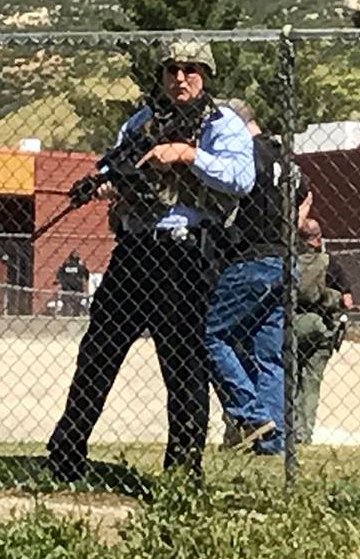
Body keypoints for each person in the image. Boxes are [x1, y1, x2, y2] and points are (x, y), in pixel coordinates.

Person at [46, 39, 256, 481]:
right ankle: (66, 455)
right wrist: (105, 186)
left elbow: (241, 178)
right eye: (171, 70)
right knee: (98, 353)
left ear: (206, 74)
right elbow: (119, 173)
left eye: (190, 69)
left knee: (182, 364)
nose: (180, 78)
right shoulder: (140, 123)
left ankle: (182, 472)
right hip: (135, 251)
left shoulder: (223, 124)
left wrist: (186, 154)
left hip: (184, 254)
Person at [205, 97, 311, 454]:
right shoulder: (284, 158)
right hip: (286, 261)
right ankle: (274, 441)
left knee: (209, 335)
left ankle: (249, 415)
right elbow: (306, 195)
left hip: (251, 259)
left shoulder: (245, 155)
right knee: (270, 356)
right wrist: (290, 228)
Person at [293, 218, 354, 446]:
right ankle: (305, 433)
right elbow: (347, 301)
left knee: (290, 379)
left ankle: (288, 431)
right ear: (318, 239)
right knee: (311, 381)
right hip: (322, 326)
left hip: (292, 325)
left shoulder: (289, 262)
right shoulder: (330, 263)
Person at [55, 250, 90, 316]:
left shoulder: (65, 266)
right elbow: (86, 276)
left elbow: (59, 275)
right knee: (76, 304)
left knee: (67, 303)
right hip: (77, 289)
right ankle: (74, 314)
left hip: (66, 288)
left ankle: (67, 314)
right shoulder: (80, 267)